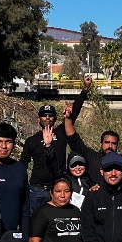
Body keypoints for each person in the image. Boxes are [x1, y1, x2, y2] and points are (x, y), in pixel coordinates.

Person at [20, 77, 90, 218]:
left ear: (55, 119)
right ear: (38, 119)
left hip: (57, 188)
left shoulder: (61, 133)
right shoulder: (31, 140)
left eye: (51, 115)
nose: (47, 118)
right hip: (36, 189)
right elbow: (23, 165)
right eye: (44, 115)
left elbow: (74, 113)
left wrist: (85, 89)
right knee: (34, 222)